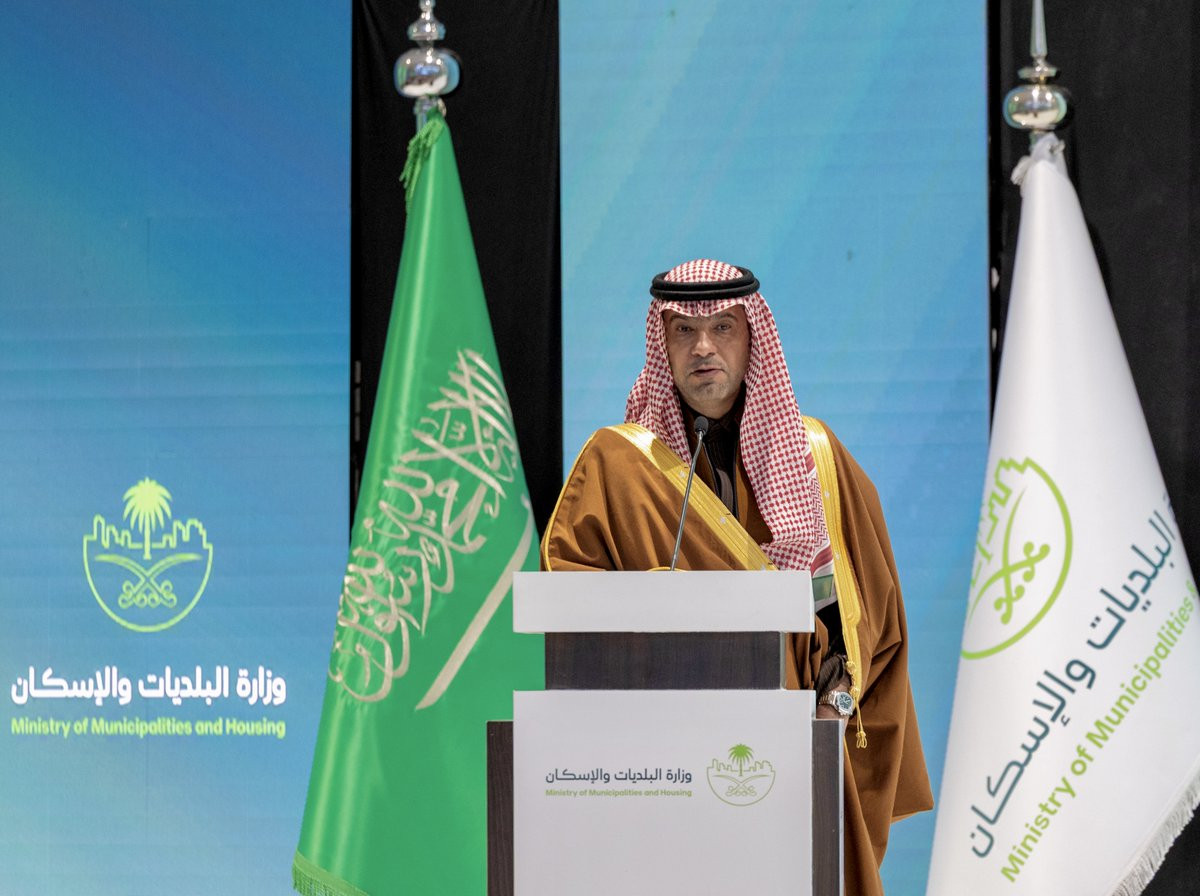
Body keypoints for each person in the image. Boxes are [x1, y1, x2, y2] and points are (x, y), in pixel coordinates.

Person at [540, 258, 933, 895]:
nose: (704, 347)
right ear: (661, 344)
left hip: (797, 748)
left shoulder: (815, 458)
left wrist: (833, 706)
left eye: (723, 327)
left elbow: (854, 609)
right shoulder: (617, 466)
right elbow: (568, 605)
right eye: (684, 330)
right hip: (657, 771)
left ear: (753, 338)